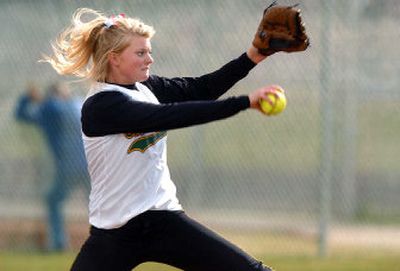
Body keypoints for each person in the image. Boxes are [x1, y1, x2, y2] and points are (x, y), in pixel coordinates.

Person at [41, 7, 302, 271]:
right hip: (115, 232)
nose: (149, 59)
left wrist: (253, 56)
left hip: (163, 220)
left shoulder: (147, 88)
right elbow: (168, 116)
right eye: (140, 53)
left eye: (149, 51)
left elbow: (201, 89)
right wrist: (244, 102)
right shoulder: (101, 105)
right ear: (114, 59)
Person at [15, 81, 90, 252]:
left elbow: (21, 114)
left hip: (68, 167)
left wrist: (29, 98)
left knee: (53, 200)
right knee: (96, 205)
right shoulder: (79, 105)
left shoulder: (50, 109)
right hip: (91, 165)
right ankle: (107, 240)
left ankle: (58, 243)